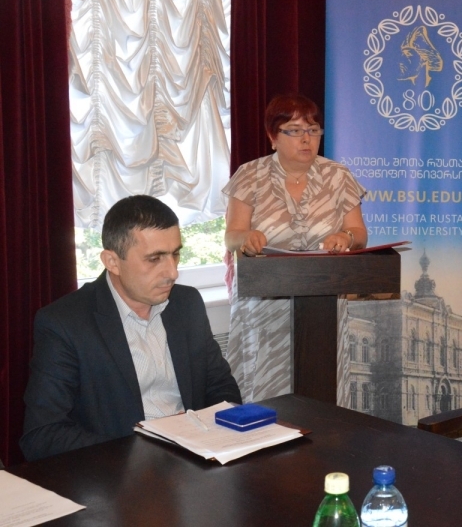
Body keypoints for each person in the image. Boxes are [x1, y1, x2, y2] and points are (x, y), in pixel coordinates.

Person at [21, 195, 241, 461]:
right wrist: (143, 452)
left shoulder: (187, 303)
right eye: (154, 259)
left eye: (175, 254)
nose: (172, 272)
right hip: (118, 469)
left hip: (195, 460)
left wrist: (218, 438)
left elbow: (221, 387)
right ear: (112, 262)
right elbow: (43, 435)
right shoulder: (65, 323)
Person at [223, 93, 367, 401]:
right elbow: (231, 236)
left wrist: (346, 237)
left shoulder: (338, 176)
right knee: (264, 393)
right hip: (264, 303)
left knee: (321, 389)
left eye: (313, 130)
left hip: (322, 303)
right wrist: (246, 237)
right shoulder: (249, 175)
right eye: (295, 130)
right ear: (273, 136)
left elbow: (359, 233)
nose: (306, 139)